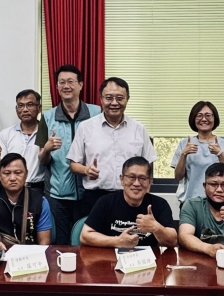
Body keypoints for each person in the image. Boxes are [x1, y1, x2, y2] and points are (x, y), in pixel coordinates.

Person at [67, 77, 157, 215]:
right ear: (101, 99)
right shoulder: (86, 127)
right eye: (109, 98)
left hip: (132, 197)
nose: (114, 103)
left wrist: (145, 192)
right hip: (95, 197)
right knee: (92, 230)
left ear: (127, 99)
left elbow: (149, 164)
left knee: (133, 230)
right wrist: (86, 170)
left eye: (120, 98)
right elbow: (73, 164)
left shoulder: (139, 129)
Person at [42, 64, 101, 245]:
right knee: (61, 243)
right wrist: (47, 149)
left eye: (70, 82)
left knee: (88, 242)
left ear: (81, 84)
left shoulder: (97, 112)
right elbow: (41, 160)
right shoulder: (46, 117)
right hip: (58, 195)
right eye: (61, 82)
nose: (66, 86)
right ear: (57, 86)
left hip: (91, 191)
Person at [79, 156, 176, 248]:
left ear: (150, 181)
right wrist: (117, 241)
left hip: (149, 258)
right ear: (122, 179)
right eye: (131, 177)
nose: (136, 183)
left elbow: (173, 241)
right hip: (111, 257)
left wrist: (156, 228)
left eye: (142, 178)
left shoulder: (160, 204)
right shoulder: (105, 202)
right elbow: (85, 236)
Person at [0, 153, 52, 249]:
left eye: (18, 173)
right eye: (7, 173)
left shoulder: (40, 201)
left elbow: (44, 242)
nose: (12, 178)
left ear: (26, 174)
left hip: (28, 252)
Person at [171, 101, 224, 205]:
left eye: (208, 115)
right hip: (190, 202)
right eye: (199, 115)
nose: (204, 119)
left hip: (218, 201)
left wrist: (220, 154)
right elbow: (178, 177)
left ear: (214, 118)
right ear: (193, 119)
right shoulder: (185, 143)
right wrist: (183, 154)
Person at [0, 89, 51, 199]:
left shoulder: (47, 133)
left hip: (39, 189)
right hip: (11, 190)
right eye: (20, 106)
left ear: (39, 108)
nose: (25, 109)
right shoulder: (6, 134)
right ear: (16, 109)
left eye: (30, 105)